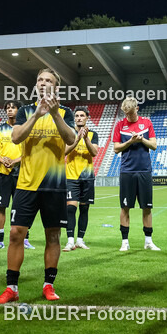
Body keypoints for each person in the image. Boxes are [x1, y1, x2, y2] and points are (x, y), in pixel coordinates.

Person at [0, 69, 74, 304]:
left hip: (55, 185)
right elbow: (16, 137)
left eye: (48, 80)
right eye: (40, 80)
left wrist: (55, 114)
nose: (43, 83)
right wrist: (37, 114)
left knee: (53, 236)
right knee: (16, 233)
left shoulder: (66, 112)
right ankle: (11, 288)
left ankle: (49, 285)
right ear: (36, 85)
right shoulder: (26, 111)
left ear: (56, 87)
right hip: (26, 184)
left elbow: (70, 139)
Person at [113, 97, 158, 251]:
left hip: (144, 170)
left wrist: (141, 139)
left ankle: (148, 241)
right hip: (127, 171)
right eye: (126, 114)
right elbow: (116, 148)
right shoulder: (120, 125)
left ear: (137, 109)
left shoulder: (146, 123)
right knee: (125, 207)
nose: (129, 117)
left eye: (131, 113)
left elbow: (153, 145)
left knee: (147, 207)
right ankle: (124, 242)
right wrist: (130, 142)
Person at [0, 101, 24, 250]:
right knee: (1, 207)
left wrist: (15, 161)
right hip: (3, 174)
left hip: (21, 174)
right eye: (7, 108)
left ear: (19, 110)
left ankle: (24, 239)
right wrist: (4, 161)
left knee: (21, 208)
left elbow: (29, 153)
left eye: (13, 107)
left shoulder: (24, 129)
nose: (10, 110)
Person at [63, 106, 98, 251]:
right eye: (76, 116)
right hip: (71, 177)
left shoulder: (93, 134)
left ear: (87, 117)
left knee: (84, 209)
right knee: (70, 209)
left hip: (87, 177)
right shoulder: (69, 134)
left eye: (82, 115)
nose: (79, 118)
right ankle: (70, 241)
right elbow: (64, 151)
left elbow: (94, 152)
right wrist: (77, 140)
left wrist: (85, 139)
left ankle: (80, 240)